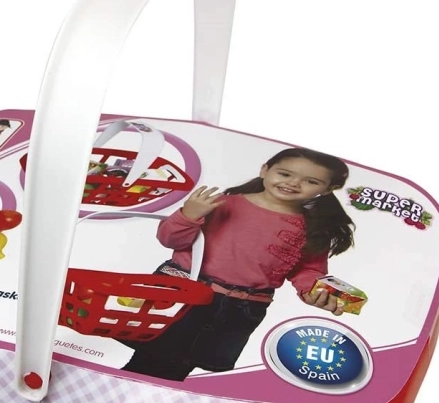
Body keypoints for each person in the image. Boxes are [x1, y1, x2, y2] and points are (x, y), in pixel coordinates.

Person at [120, 147, 356, 381]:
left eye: (311, 181)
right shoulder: (219, 203)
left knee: (180, 368)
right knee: (152, 362)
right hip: (183, 292)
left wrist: (316, 292)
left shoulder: (314, 229)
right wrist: (188, 215)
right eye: (285, 174)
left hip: (241, 308)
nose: (293, 183)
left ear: (328, 189)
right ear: (265, 170)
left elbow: (308, 270)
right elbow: (169, 239)